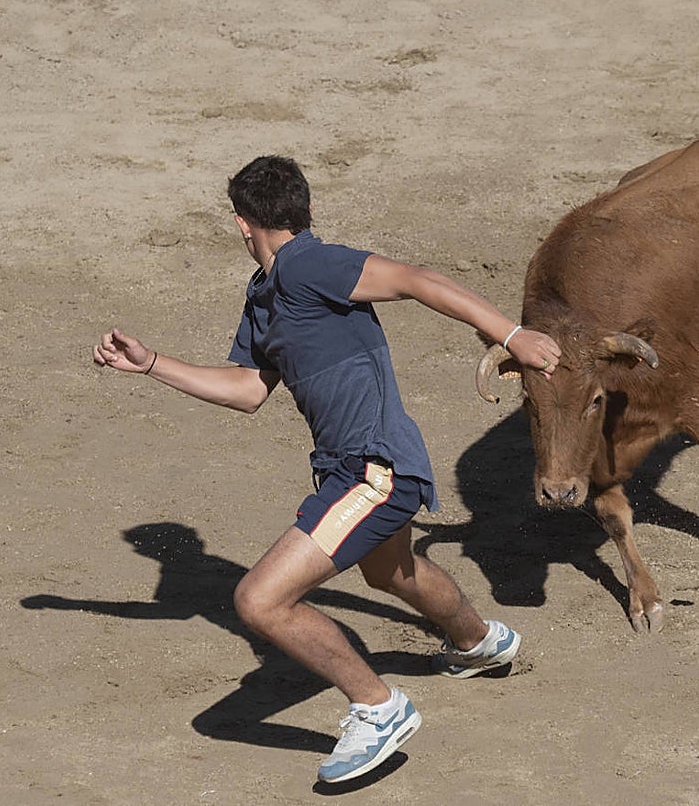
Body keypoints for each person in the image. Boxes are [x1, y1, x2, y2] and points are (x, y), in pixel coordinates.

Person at [92, 154, 561, 784]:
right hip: (362, 469)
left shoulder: (308, 263)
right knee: (391, 572)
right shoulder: (266, 296)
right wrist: (152, 364)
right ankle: (478, 643)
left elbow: (416, 279)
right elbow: (246, 390)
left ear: (241, 224)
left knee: (260, 601)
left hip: (374, 470)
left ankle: (377, 706)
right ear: (302, 209)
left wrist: (511, 335)